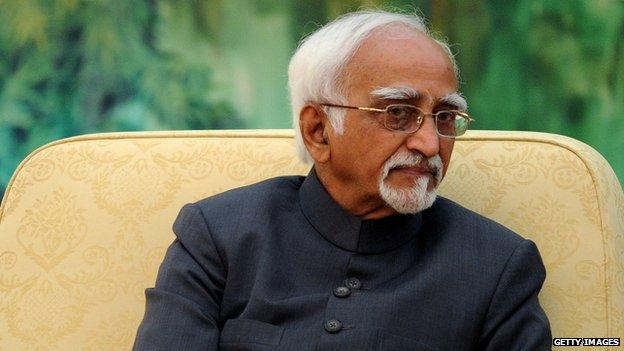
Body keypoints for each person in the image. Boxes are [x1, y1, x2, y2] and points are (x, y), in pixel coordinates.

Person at [133, 10, 551, 350]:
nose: (428, 143)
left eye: (444, 117)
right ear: (318, 131)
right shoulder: (220, 236)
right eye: (397, 113)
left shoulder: (498, 266)